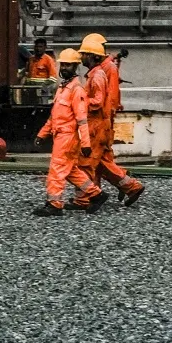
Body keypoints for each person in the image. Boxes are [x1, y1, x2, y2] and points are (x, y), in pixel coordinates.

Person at [33, 49, 102, 217]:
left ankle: (54, 204)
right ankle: (97, 194)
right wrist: (42, 134)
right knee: (71, 171)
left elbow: (82, 120)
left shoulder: (77, 90)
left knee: (56, 170)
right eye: (62, 64)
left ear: (75, 66)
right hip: (61, 136)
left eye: (68, 65)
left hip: (67, 137)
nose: (64, 68)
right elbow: (54, 116)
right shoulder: (63, 88)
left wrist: (85, 143)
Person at [78, 32, 144, 208]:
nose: (81, 57)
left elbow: (110, 100)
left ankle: (87, 197)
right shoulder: (104, 68)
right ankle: (128, 186)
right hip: (101, 122)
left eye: (84, 53)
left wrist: (103, 123)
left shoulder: (106, 70)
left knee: (89, 161)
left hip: (99, 122)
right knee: (101, 161)